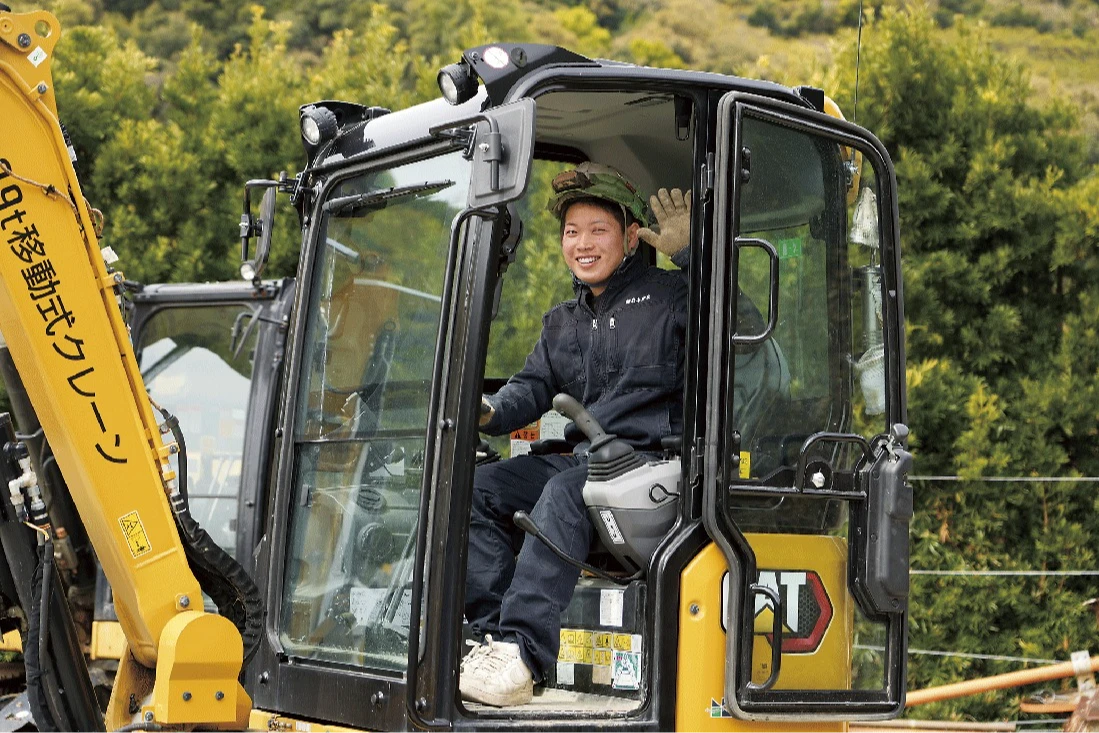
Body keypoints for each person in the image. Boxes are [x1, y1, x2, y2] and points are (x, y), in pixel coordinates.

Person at [459, 162, 692, 707]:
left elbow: (740, 333)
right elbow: (531, 386)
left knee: (565, 493)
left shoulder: (674, 296)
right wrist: (488, 411)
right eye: (571, 232)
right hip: (588, 462)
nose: (582, 244)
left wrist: (690, 256)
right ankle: (490, 641)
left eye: (598, 230)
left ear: (631, 237)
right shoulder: (561, 322)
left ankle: (523, 652)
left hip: (652, 467)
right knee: (476, 489)